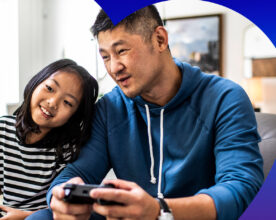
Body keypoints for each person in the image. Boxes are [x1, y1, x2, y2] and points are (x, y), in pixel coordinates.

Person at [41, 5, 264, 220]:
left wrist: (160, 211)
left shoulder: (225, 97)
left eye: (121, 51)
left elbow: (241, 188)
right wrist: (60, 196)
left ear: (160, 40)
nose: (113, 68)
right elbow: (78, 171)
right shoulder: (109, 108)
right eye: (106, 57)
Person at [0, 59, 99, 219]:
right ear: (36, 82)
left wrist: (25, 216)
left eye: (67, 102)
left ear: (74, 115)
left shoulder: (67, 147)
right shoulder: (2, 127)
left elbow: (60, 204)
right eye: (49, 88)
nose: (52, 102)